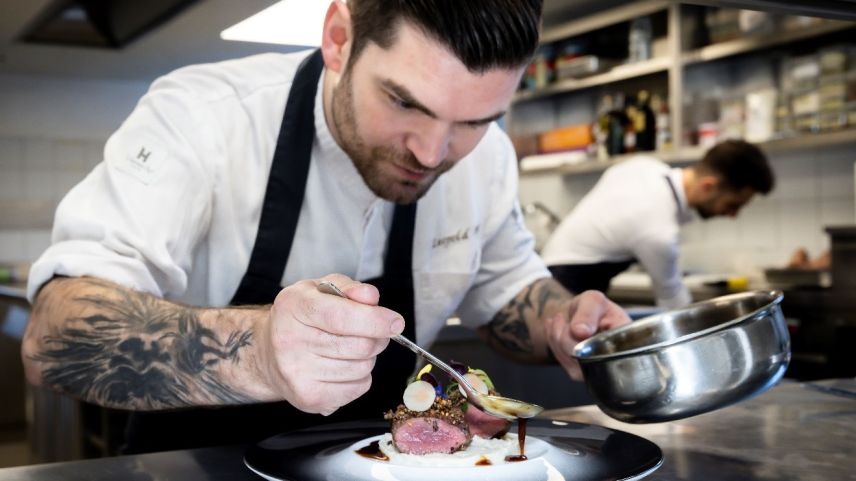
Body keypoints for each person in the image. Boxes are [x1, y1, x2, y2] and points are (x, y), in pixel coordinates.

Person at [21, 0, 630, 454]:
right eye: (405, 102)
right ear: (339, 38)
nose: (431, 152)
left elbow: (506, 294)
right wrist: (259, 353)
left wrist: (561, 322)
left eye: (474, 121)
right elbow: (53, 337)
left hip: (385, 465)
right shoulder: (203, 118)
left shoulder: (488, 157)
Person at [541, 139, 775, 309]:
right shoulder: (658, 230)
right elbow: (673, 302)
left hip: (552, 270)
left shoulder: (644, 166)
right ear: (708, 186)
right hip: (564, 287)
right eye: (733, 205)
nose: (733, 215)